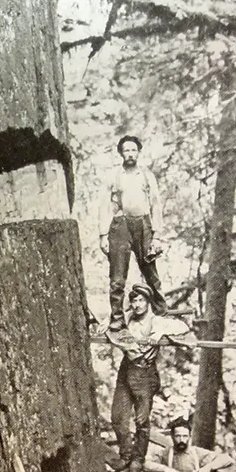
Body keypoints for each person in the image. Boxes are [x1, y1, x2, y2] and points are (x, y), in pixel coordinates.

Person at [110, 285, 194, 472]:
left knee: (142, 420)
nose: (137, 305)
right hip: (126, 369)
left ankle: (138, 459)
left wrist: (161, 333)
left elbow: (183, 327)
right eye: (134, 301)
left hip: (145, 372)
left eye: (141, 300)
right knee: (117, 417)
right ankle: (125, 455)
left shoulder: (157, 321)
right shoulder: (127, 318)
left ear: (148, 302)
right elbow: (110, 325)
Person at [98, 135, 166, 331]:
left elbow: (156, 205)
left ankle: (161, 311)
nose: (130, 154)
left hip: (143, 225)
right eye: (126, 150)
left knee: (150, 271)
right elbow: (104, 206)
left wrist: (157, 235)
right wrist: (103, 235)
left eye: (133, 150)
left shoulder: (146, 176)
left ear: (138, 152)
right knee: (117, 277)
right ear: (121, 153)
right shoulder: (114, 176)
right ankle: (117, 318)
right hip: (120, 227)